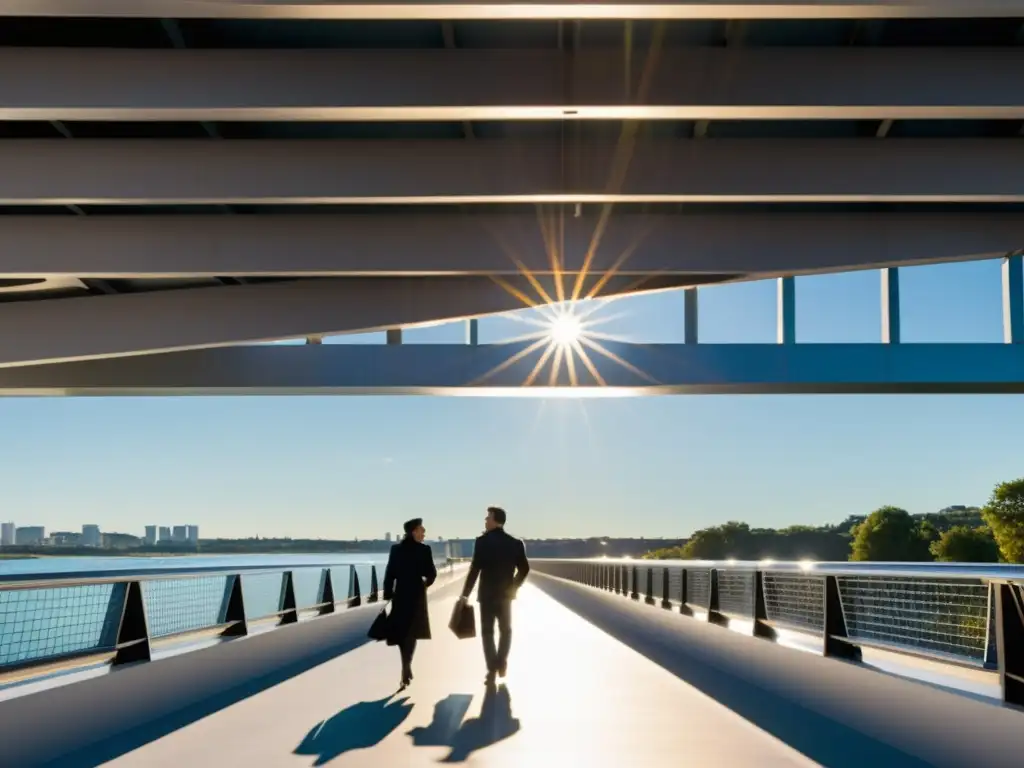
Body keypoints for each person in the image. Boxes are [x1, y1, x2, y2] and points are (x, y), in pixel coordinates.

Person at [458, 506, 530, 684]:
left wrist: (465, 594)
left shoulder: (482, 542)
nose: (485, 520)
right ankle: (502, 661)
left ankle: (491, 668)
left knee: (487, 632)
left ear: (496, 520)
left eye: (488, 517)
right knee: (506, 631)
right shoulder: (515, 543)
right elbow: (524, 569)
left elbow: (474, 570)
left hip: (486, 596)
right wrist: (513, 588)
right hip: (505, 597)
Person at [383, 517, 437, 689]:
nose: (424, 532)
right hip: (417, 596)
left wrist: (387, 593)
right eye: (422, 529)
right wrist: (424, 585)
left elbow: (389, 573)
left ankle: (405, 666)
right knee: (411, 634)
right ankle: (406, 666)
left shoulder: (396, 550)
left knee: (402, 633)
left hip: (400, 596)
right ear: (413, 531)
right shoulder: (424, 550)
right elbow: (432, 574)